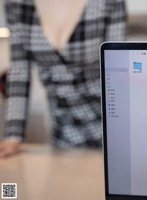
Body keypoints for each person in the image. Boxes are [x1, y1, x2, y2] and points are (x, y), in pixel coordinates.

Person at [0, 0, 127, 157]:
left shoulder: (107, 3)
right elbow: (19, 70)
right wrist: (13, 136)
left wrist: (121, 132)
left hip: (104, 122)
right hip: (60, 125)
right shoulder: (16, 4)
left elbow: (116, 69)